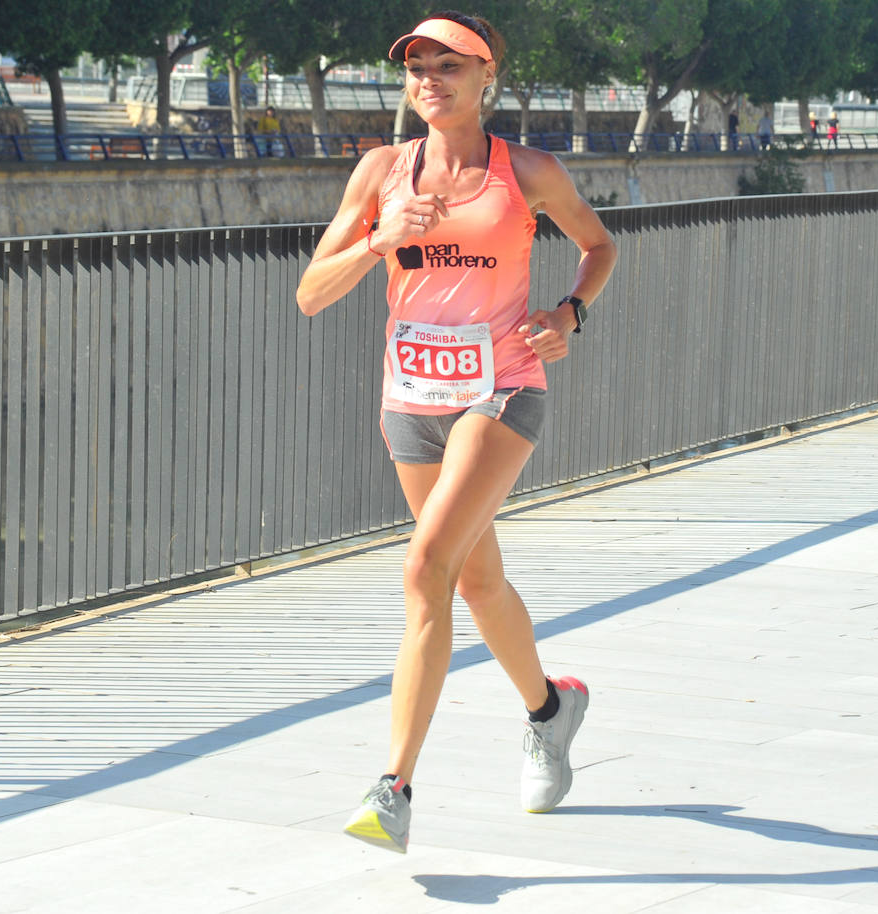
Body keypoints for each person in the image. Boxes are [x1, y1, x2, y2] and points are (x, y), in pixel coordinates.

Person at [295, 11, 617, 854]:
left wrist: (569, 311)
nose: (429, 79)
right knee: (474, 582)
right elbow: (310, 293)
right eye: (417, 67)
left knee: (425, 566)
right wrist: (377, 239)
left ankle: (392, 787)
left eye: (450, 65)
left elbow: (598, 245)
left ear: (485, 80)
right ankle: (551, 709)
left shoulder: (529, 172)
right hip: (410, 398)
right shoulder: (379, 173)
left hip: (502, 388)